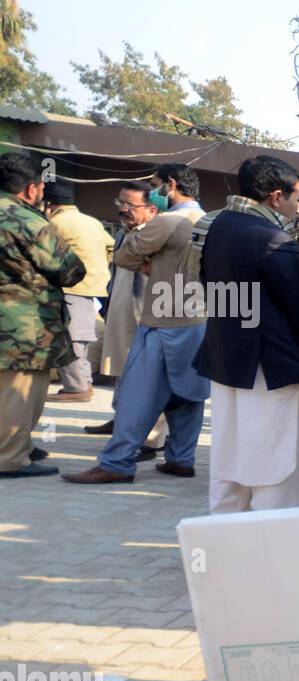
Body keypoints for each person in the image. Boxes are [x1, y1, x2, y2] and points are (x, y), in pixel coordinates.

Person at [192, 155, 299, 513]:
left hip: (225, 361)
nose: (298, 209)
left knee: (228, 465)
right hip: (271, 368)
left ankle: (224, 549)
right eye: (297, 199)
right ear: (276, 196)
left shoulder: (215, 227)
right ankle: (272, 554)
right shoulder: (274, 241)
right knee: (276, 470)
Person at [63, 163, 209, 485]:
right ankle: (181, 458)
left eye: (156, 185)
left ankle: (117, 462)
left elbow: (124, 257)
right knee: (186, 394)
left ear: (170, 185)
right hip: (198, 318)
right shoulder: (210, 220)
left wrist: (150, 261)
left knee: (137, 393)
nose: (153, 192)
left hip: (162, 320)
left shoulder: (168, 221)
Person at [0, 151, 86, 479]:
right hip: (23, 328)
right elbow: (70, 271)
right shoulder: (30, 221)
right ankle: (9, 458)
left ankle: (17, 447)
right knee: (20, 393)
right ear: (32, 189)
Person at [85, 181, 167, 457]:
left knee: (147, 378)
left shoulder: (158, 235)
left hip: (146, 316)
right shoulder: (124, 234)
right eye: (120, 203)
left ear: (152, 209)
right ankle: (121, 422)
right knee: (122, 372)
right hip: (121, 312)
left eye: (130, 205)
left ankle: (150, 439)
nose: (122, 209)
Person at [41, 179, 113, 403]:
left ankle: (77, 387)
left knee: (69, 340)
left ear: (49, 203)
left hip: (69, 287)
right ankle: (84, 385)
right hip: (94, 286)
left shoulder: (54, 223)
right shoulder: (91, 222)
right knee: (78, 338)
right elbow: (111, 246)